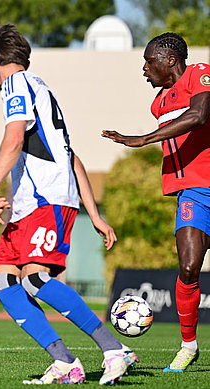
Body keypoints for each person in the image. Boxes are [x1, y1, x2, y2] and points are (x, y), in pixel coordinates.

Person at [0, 24, 136, 385]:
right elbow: (72, 157)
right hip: (33, 203)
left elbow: (14, 136)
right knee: (4, 280)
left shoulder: (15, 86)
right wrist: (94, 214)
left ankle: (114, 349)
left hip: (45, 200)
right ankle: (65, 362)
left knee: (35, 279)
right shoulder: (42, 88)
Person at [102, 32, 210, 373]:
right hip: (193, 192)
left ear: (170, 61)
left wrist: (142, 139)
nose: (145, 69)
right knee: (189, 267)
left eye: (149, 61)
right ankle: (188, 346)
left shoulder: (201, 72)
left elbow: (199, 115)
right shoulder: (159, 103)